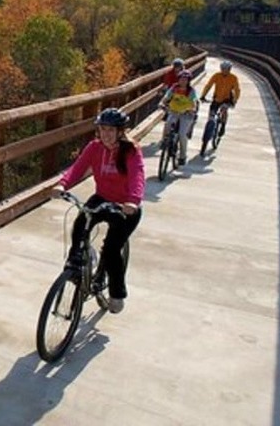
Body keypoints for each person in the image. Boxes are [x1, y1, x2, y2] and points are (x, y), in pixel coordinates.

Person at [51, 108, 145, 314]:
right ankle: (75, 265)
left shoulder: (130, 150)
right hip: (102, 198)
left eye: (111, 130)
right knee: (80, 224)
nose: (106, 134)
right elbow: (78, 167)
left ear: (120, 131)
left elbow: (137, 176)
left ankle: (117, 294)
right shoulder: (94, 147)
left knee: (111, 250)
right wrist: (63, 184)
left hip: (125, 207)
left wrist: (133, 201)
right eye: (103, 129)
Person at [159, 69, 199, 165]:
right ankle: (164, 141)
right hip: (174, 111)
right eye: (181, 79)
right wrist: (162, 103)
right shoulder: (174, 87)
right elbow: (167, 96)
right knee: (167, 125)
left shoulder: (191, 91)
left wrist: (192, 109)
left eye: (185, 79)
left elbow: (194, 101)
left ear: (189, 80)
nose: (183, 81)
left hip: (186, 114)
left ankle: (182, 156)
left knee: (182, 134)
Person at [200, 60, 240, 136]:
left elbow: (237, 90)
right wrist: (203, 95)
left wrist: (235, 100)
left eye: (226, 68)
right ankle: (209, 129)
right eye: (222, 68)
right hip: (217, 98)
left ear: (229, 69)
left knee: (224, 110)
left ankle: (223, 127)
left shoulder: (233, 78)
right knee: (211, 114)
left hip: (227, 99)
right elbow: (208, 85)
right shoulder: (216, 75)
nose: (224, 70)